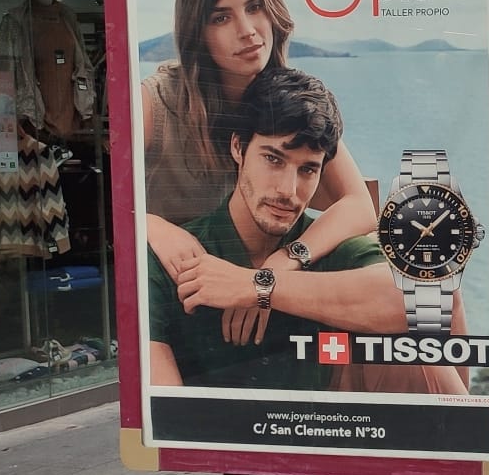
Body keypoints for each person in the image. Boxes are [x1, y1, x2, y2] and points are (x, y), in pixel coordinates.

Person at [147, 68, 463, 394]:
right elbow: (161, 412)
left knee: (418, 349)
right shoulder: (173, 257)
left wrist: (259, 285)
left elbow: (424, 299)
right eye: (273, 159)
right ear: (238, 148)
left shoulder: (330, 247)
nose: (288, 189)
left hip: (332, 431)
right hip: (223, 436)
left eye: (308, 169)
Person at [142, 0, 378, 345]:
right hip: (185, 309)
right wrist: (152, 226)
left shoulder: (283, 96)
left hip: (270, 300)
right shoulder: (156, 101)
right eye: (221, 17)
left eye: (255, 7)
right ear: (197, 32)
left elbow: (359, 205)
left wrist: (279, 267)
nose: (248, 30)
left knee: (438, 307)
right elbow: (105, 202)